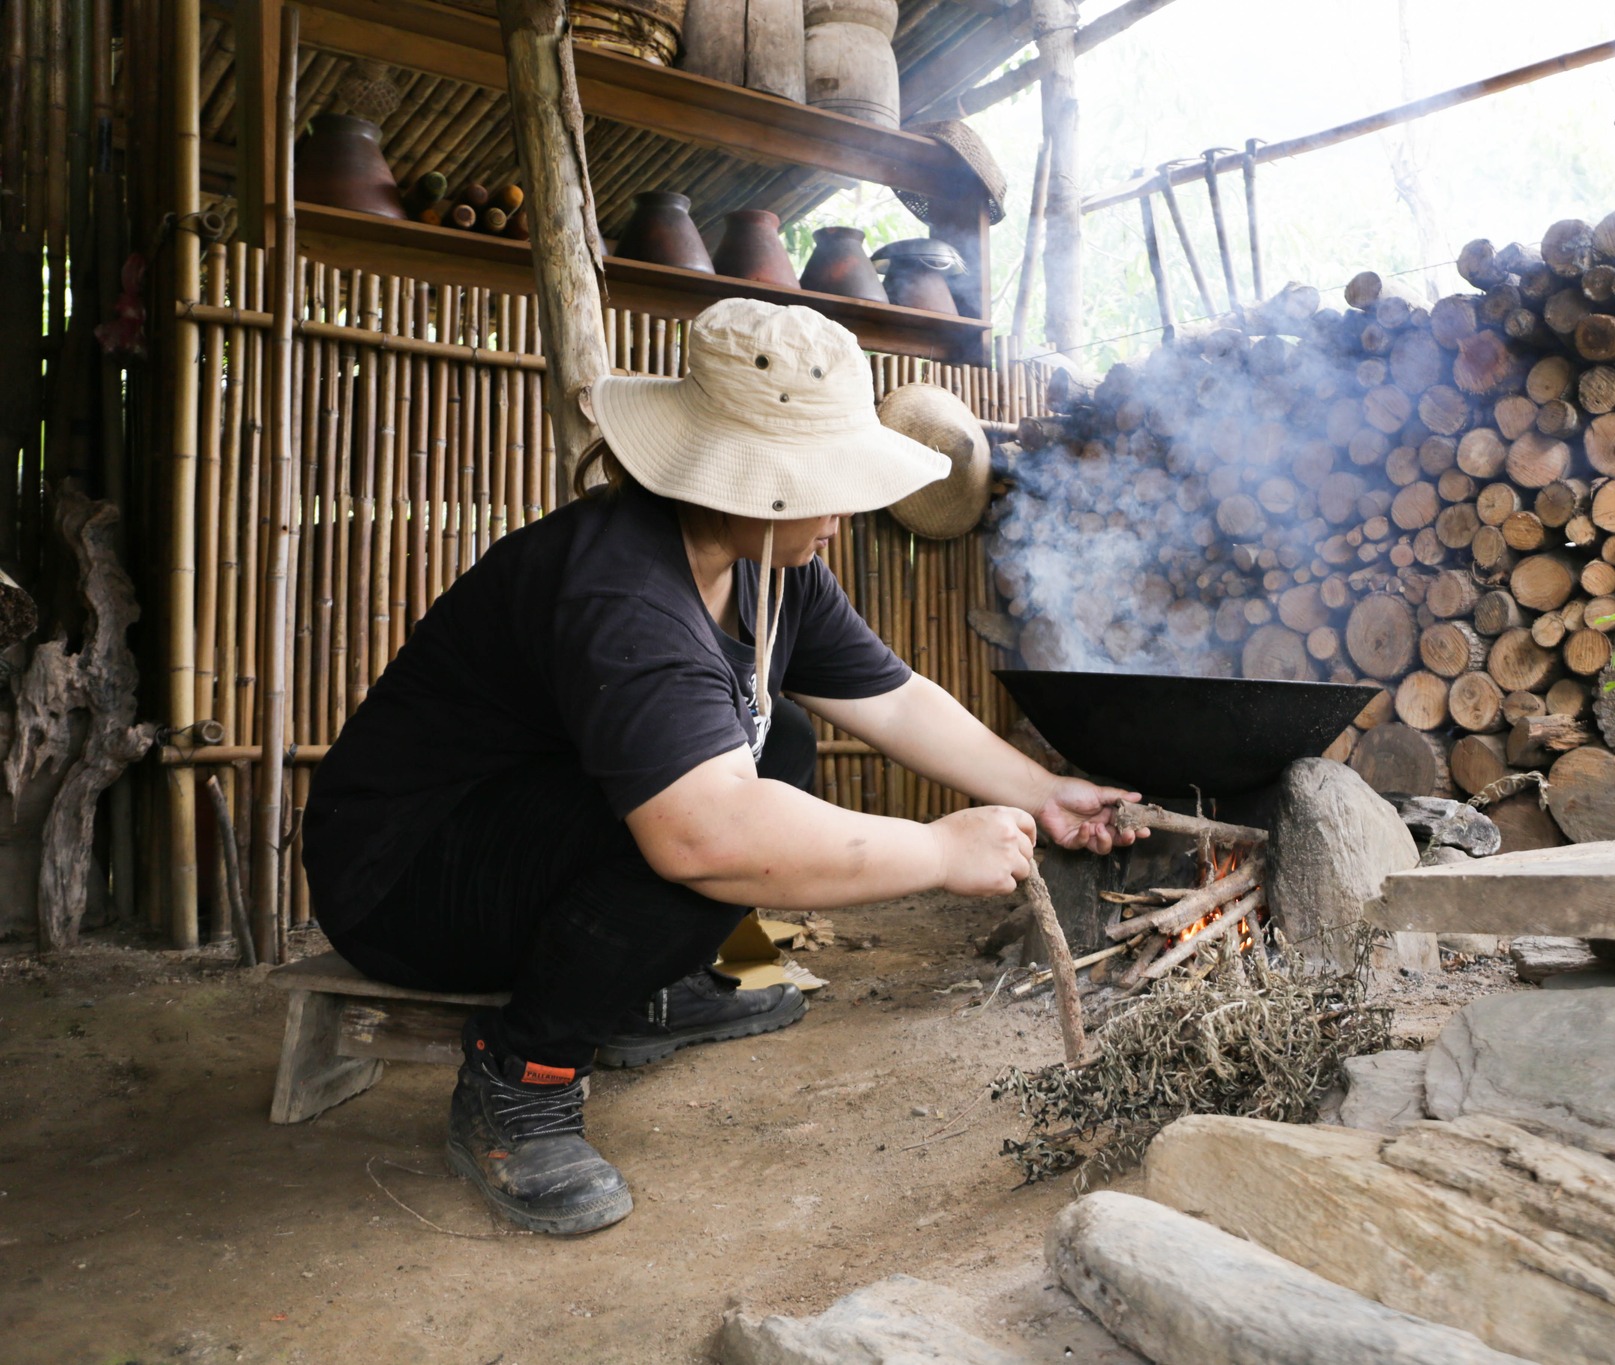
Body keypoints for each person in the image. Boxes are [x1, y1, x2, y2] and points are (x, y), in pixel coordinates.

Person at [303, 299, 1138, 1235]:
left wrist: (1043, 792)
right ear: (753, 484)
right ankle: (520, 1074)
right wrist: (941, 851)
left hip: (513, 824)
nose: (844, 513)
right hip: (402, 873)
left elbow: (894, 698)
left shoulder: (770, 567)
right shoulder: (623, 592)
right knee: (714, 840)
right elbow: (707, 835)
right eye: (826, 485)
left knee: (773, 739)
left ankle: (650, 983)